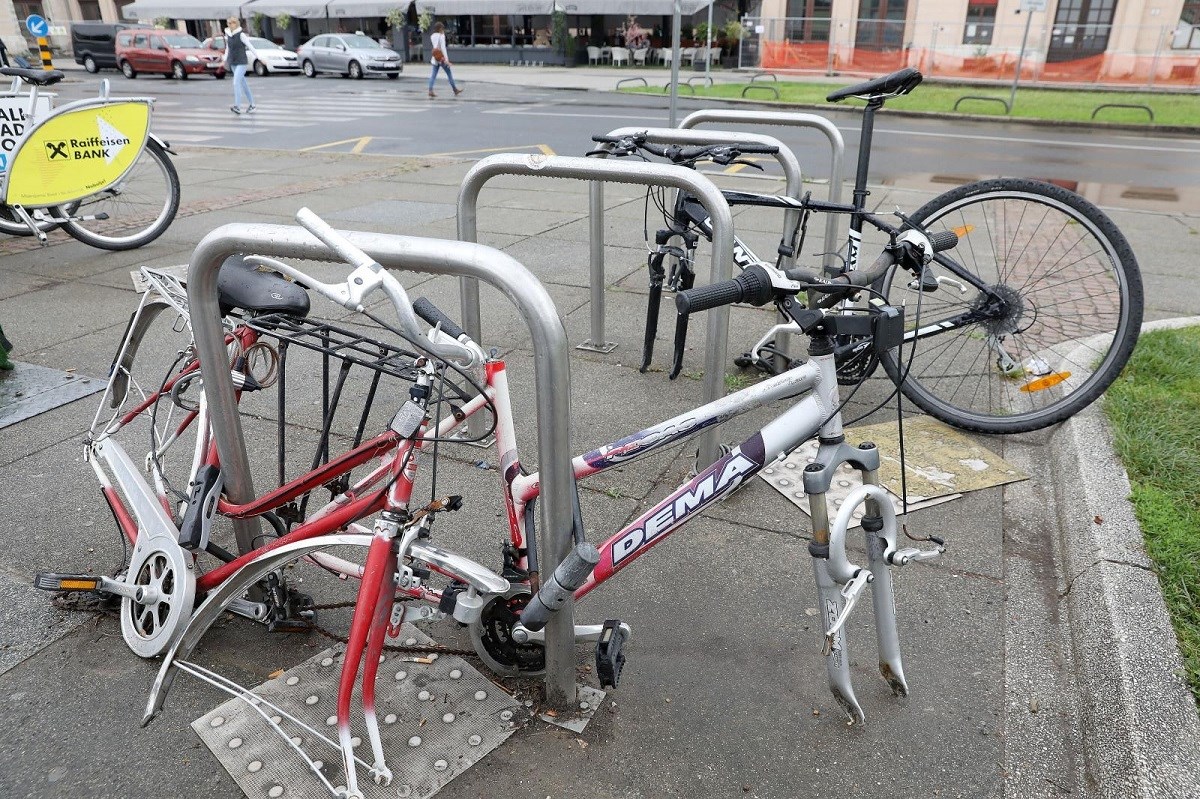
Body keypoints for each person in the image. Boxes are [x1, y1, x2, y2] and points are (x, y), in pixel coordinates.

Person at [222, 17, 256, 115]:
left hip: (242, 62)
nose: (230, 24)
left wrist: (259, 57)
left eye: (232, 23)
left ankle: (237, 106)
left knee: (236, 82)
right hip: (233, 62)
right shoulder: (228, 35)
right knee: (243, 84)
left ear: (236, 24)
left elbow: (250, 46)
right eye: (228, 23)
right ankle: (252, 105)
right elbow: (228, 49)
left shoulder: (241, 35)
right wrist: (225, 60)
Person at [427, 22, 462, 99]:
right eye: (442, 28)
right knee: (449, 74)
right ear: (440, 29)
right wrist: (446, 60)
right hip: (442, 59)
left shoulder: (432, 36)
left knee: (433, 75)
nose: (443, 30)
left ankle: (430, 90)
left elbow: (435, 47)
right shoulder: (442, 36)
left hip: (436, 58)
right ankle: (455, 89)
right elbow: (443, 48)